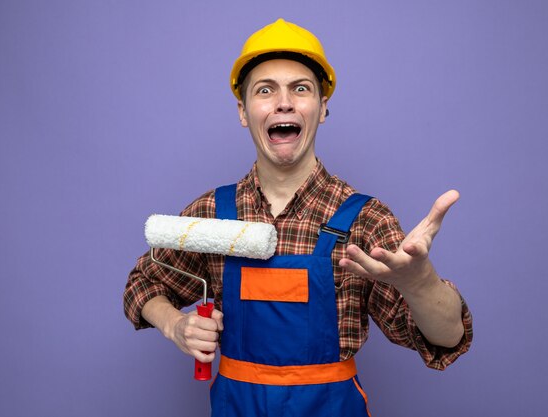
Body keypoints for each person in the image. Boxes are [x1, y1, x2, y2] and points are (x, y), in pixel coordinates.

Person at [124, 18, 472, 417]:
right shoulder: (212, 216)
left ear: (322, 109)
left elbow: (447, 339)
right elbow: (142, 283)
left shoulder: (365, 221)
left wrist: (421, 282)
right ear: (243, 111)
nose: (283, 102)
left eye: (300, 89)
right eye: (265, 90)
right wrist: (174, 325)